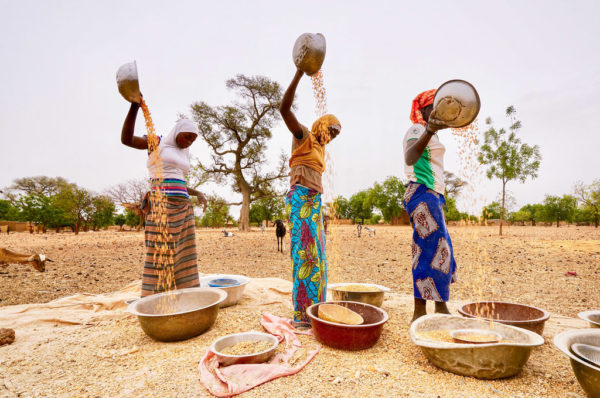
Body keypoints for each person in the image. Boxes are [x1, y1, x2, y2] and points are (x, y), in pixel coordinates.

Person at [121, 100, 207, 297]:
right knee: (160, 252)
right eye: (187, 137)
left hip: (184, 207)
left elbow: (178, 180)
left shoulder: (184, 152)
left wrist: (198, 193)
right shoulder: (156, 142)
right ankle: (155, 299)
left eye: (193, 140)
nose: (189, 142)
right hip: (162, 205)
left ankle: (187, 296)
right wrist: (135, 107)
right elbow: (126, 139)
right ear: (177, 131)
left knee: (185, 253)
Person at [280, 69, 341, 325]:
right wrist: (298, 74)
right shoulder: (303, 136)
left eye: (336, 134)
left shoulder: (321, 149)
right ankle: (301, 315)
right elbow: (284, 109)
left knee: (318, 258)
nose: (332, 136)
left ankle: (315, 308)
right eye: (331, 130)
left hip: (314, 203)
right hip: (300, 199)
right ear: (320, 126)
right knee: (305, 256)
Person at [403, 89, 458, 321]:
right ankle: (420, 313)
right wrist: (429, 129)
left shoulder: (433, 135)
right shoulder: (417, 129)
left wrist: (433, 130)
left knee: (441, 251)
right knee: (429, 251)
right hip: (421, 191)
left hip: (433, 195)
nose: (440, 112)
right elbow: (410, 157)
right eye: (435, 107)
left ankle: (439, 305)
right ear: (425, 109)